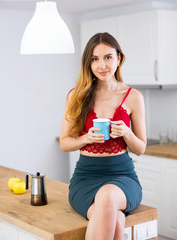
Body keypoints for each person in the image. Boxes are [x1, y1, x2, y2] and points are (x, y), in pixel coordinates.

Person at [60, 32, 146, 240]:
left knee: (107, 196)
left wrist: (126, 133)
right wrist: (85, 139)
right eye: (95, 59)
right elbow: (64, 143)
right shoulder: (76, 96)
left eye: (108, 57)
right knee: (115, 220)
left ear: (119, 58)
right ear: (88, 63)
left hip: (123, 177)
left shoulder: (133, 97)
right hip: (85, 178)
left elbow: (140, 148)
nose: (102, 65)